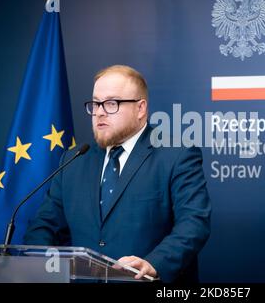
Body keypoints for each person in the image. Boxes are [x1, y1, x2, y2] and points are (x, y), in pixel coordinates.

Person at [24, 65, 211, 282]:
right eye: (95, 104)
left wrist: (153, 263)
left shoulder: (176, 155)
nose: (100, 112)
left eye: (111, 103)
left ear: (140, 109)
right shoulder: (74, 159)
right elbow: (45, 225)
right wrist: (33, 263)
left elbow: (194, 223)